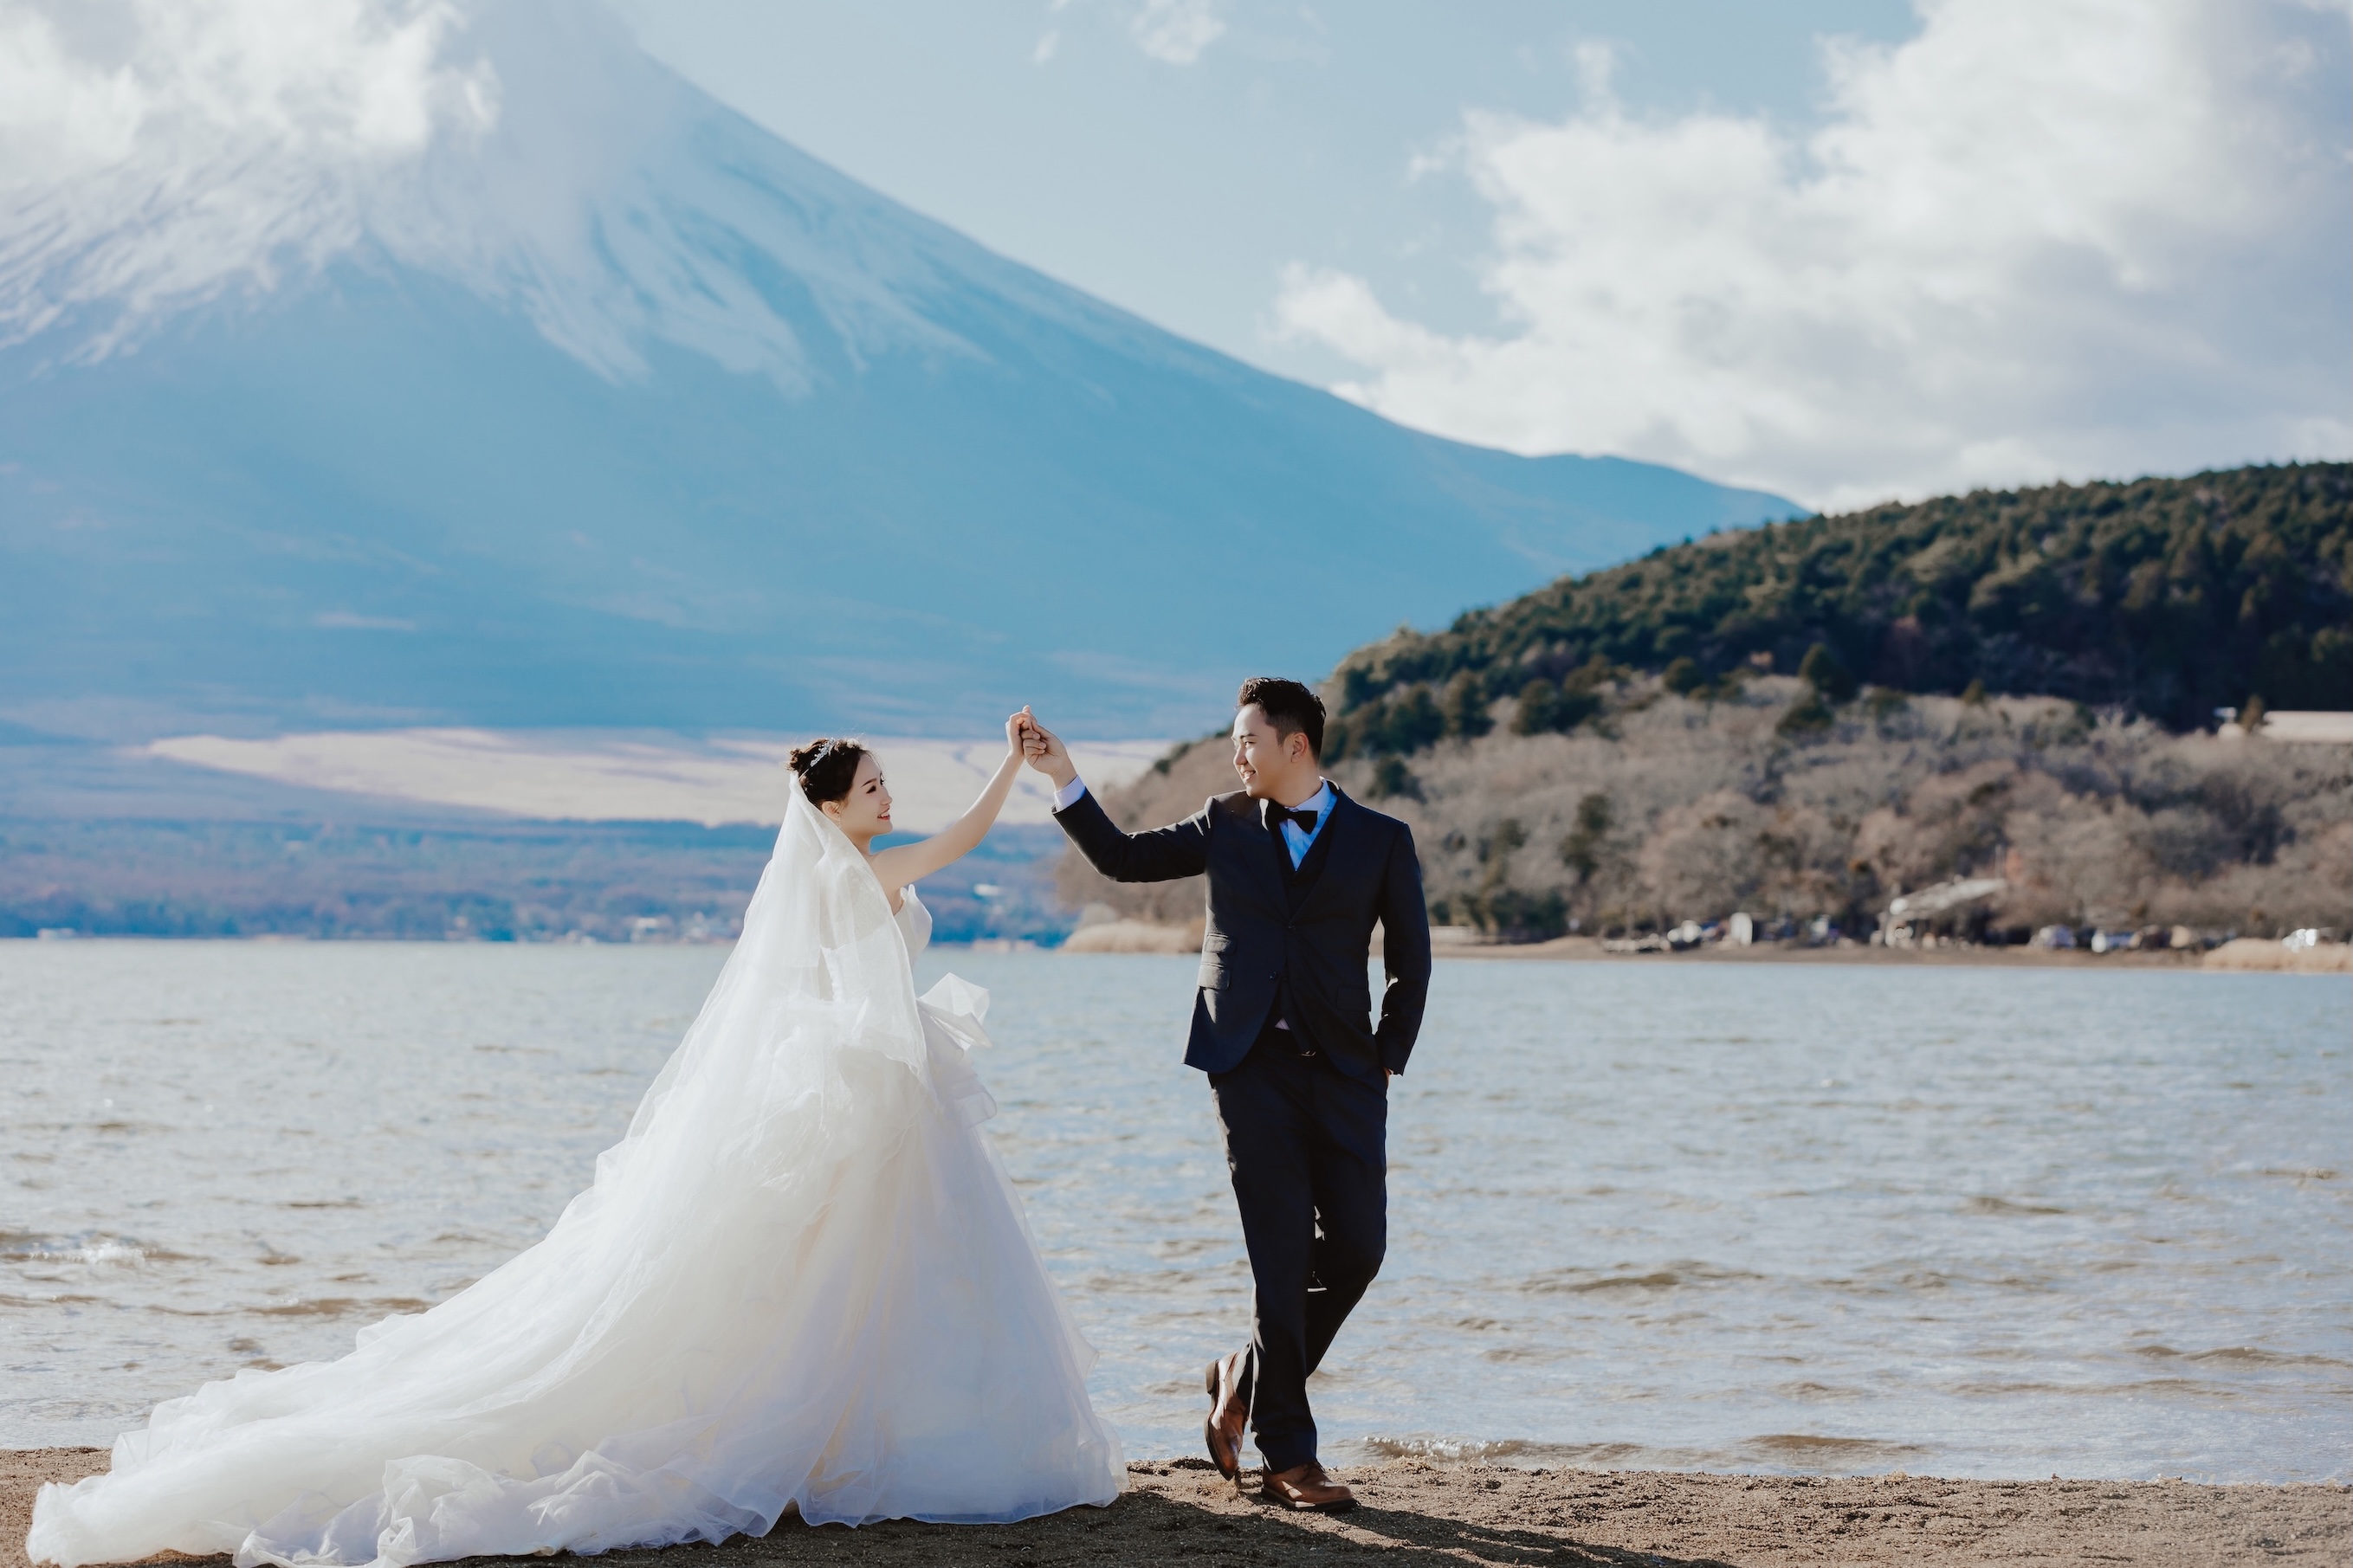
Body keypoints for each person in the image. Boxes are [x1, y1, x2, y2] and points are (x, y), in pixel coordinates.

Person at [29, 712, 1122, 1568]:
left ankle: (850, 1438)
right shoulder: (857, 871)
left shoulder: (844, 869)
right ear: (833, 810)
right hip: (868, 1095)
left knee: (851, 1279)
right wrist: (1008, 767)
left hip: (868, 1086)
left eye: (886, 782)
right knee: (855, 1277)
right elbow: (965, 840)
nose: (889, 795)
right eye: (875, 784)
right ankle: (867, 1442)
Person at [1023, 677, 1431, 1513]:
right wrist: (1063, 775)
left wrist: (1387, 1054)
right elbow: (1125, 857)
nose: (1234, 753)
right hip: (1247, 1067)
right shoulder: (1225, 822)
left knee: (1358, 1247)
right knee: (1279, 1254)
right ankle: (1291, 1456)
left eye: (1246, 738)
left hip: (1348, 1072)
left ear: (1295, 745)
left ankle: (1242, 1374)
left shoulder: (1382, 839)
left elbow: (1410, 960)